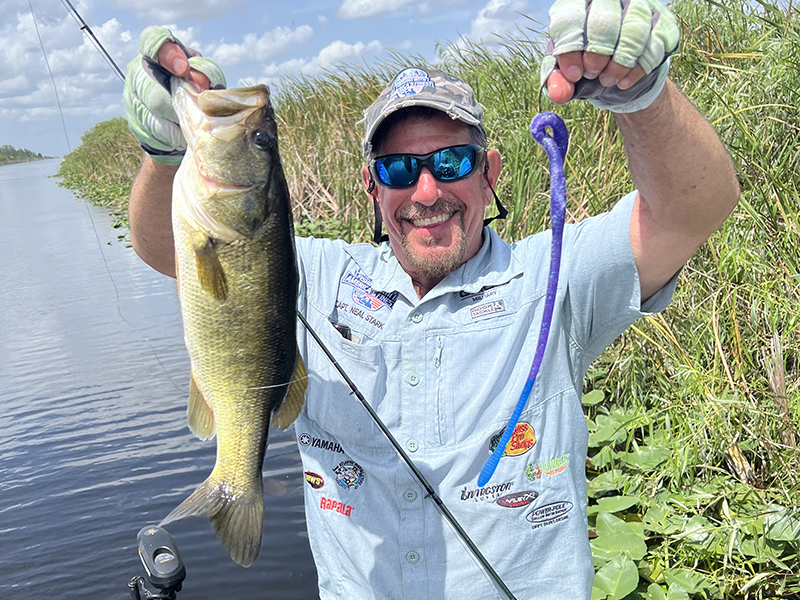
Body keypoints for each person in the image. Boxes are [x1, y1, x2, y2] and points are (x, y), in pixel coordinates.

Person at [123, 1, 739, 598]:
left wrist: (643, 97)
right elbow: (167, 251)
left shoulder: (555, 278)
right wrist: (165, 156)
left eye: (450, 162)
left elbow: (692, 210)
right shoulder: (310, 276)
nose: (425, 191)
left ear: (489, 172)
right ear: (372, 186)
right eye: (398, 169)